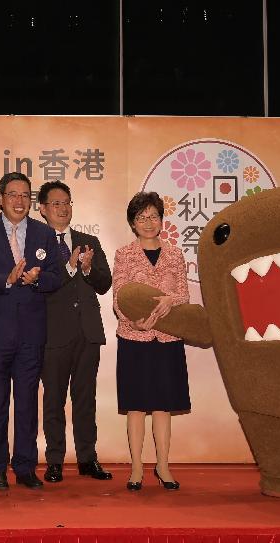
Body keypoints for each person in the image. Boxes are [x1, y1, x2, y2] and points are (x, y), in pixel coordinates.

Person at [0, 172, 63, 490]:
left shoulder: (43, 233)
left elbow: (56, 277)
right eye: (13, 195)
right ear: (0, 198)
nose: (19, 201)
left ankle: (24, 467)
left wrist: (38, 279)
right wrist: (5, 279)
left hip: (32, 333)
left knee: (26, 403)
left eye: (25, 195)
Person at [112, 191, 190, 491]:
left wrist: (172, 300)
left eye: (153, 216)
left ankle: (163, 466)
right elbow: (119, 296)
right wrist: (134, 321)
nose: (148, 222)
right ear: (133, 223)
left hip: (168, 338)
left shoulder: (175, 254)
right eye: (141, 217)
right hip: (134, 337)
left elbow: (184, 294)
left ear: (161, 220)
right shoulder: (124, 254)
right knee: (135, 406)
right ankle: (136, 468)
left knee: (162, 406)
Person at [37, 181, 113, 483]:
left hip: (87, 332)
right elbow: (38, 286)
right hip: (52, 334)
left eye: (66, 202)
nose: (63, 208)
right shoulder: (37, 243)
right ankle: (54, 460)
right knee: (53, 400)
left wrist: (86, 269)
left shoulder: (87, 240)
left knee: (85, 399)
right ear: (42, 209)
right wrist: (69, 268)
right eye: (55, 203)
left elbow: (104, 282)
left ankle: (87, 458)